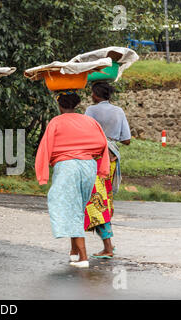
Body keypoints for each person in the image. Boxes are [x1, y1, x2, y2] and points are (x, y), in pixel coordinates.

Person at [35, 91, 110, 268]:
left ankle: (83, 257)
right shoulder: (90, 121)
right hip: (88, 166)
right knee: (78, 207)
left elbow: (45, 147)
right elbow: (102, 145)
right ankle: (74, 252)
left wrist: (42, 174)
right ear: (76, 105)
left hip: (67, 166)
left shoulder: (56, 121)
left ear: (60, 106)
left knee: (68, 206)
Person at [83, 82, 131, 259]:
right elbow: (127, 140)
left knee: (97, 202)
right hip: (112, 160)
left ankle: (108, 246)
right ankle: (108, 243)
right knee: (105, 200)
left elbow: (84, 134)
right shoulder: (118, 111)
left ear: (96, 94)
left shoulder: (91, 111)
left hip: (96, 160)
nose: (91, 96)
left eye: (92, 93)